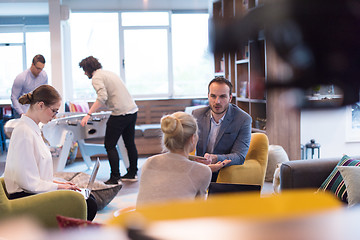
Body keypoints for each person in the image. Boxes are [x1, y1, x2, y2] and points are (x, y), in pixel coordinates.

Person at [4, 85, 97, 221]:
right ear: (40, 105)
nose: (54, 117)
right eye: (53, 111)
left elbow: (35, 174)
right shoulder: (24, 132)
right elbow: (27, 181)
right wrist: (58, 186)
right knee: (88, 203)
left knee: (89, 198)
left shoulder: (32, 129)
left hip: (31, 191)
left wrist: (61, 184)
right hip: (24, 196)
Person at [136, 112, 227, 207]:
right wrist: (203, 170)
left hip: (141, 221)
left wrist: (200, 168)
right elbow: (198, 209)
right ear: (193, 138)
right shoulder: (203, 171)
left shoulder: (149, 162)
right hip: (177, 221)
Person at [79, 56, 138, 184]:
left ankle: (115, 177)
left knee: (109, 145)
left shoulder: (96, 77)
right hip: (132, 111)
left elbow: (102, 97)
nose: (84, 73)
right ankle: (132, 173)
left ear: (89, 69)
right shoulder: (109, 73)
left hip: (120, 113)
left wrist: (88, 113)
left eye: (84, 70)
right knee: (129, 143)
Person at [192, 77, 252, 182]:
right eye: (213, 96)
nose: (217, 101)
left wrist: (215, 158)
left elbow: (239, 156)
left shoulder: (243, 119)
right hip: (200, 170)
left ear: (230, 98)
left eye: (222, 96)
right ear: (208, 96)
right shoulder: (197, 115)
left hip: (224, 172)